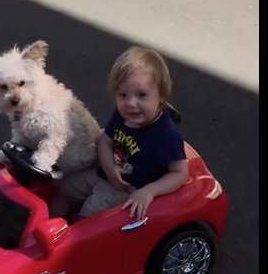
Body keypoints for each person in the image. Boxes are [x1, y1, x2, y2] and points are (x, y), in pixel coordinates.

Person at [53, 46, 189, 222]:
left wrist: (149, 191)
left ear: (161, 95)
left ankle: (68, 245)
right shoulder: (122, 116)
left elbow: (180, 173)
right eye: (123, 95)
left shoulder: (165, 135)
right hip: (107, 175)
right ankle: (38, 236)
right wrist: (109, 168)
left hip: (129, 189)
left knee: (87, 218)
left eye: (142, 95)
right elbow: (105, 141)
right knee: (65, 188)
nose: (131, 103)